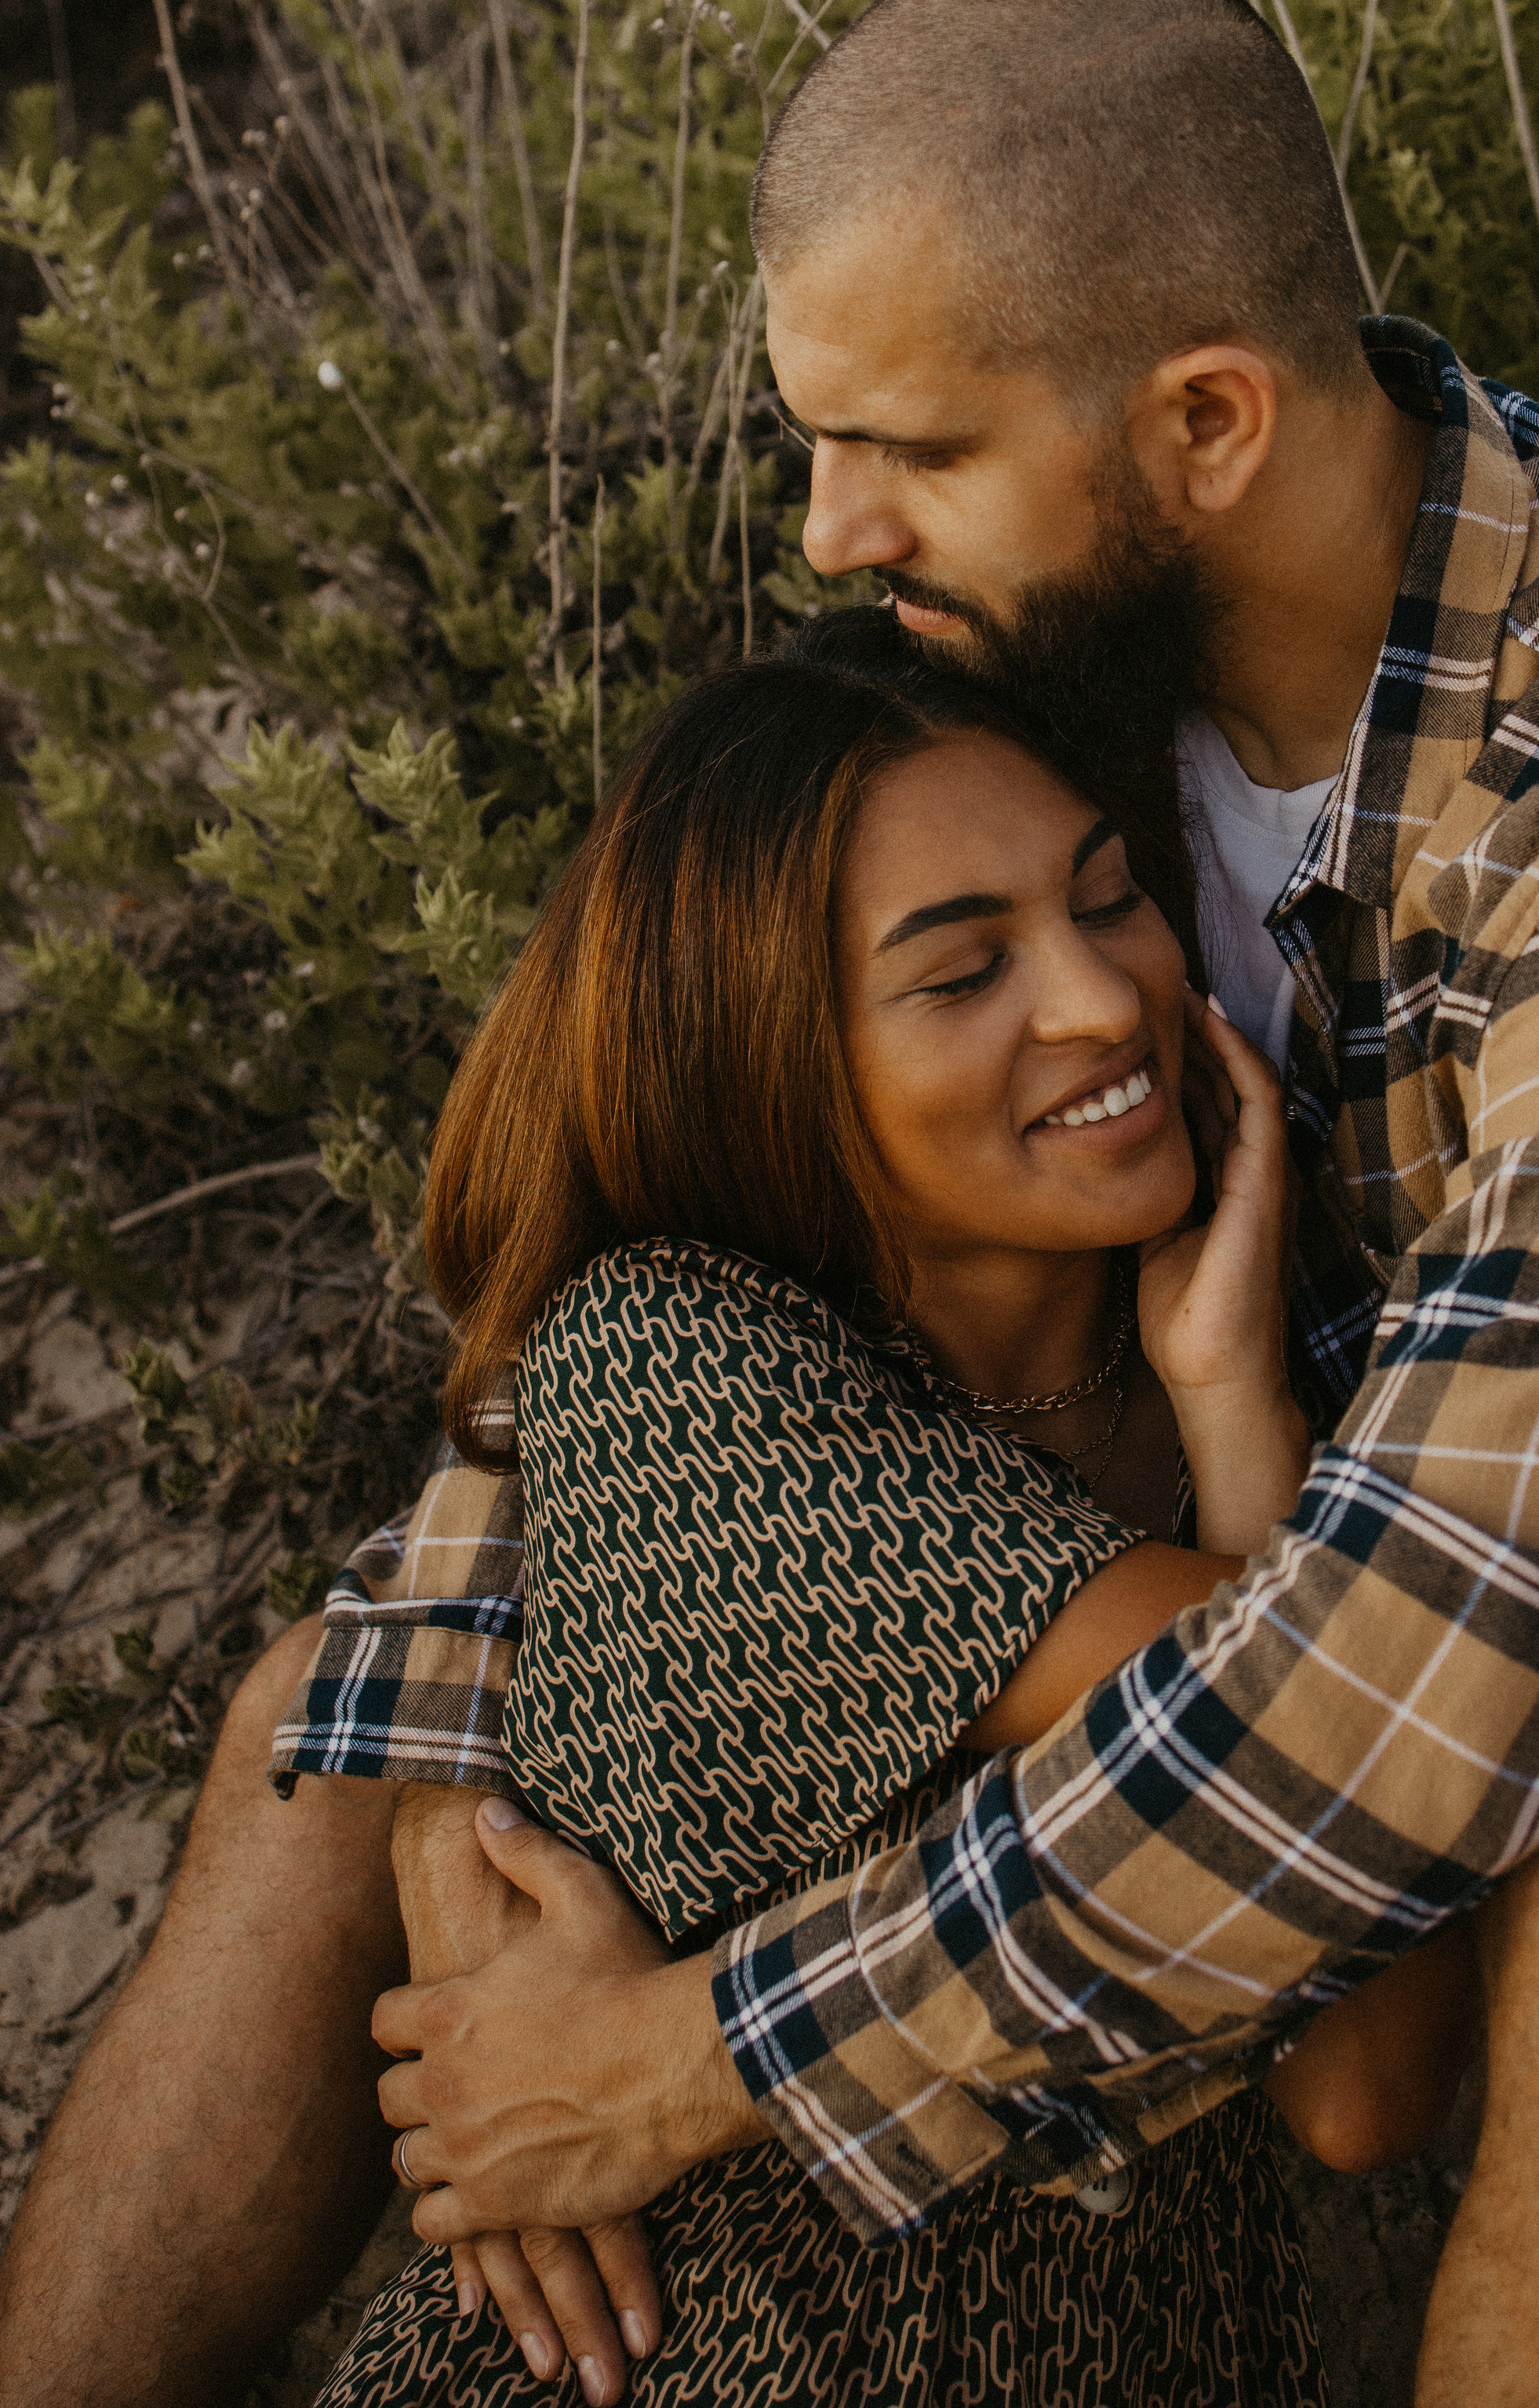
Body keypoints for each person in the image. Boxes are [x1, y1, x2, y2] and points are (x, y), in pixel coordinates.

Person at [0, 0, 1539, 2408]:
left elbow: (1427, 1685)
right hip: (1196, 1455)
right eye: (822, 442)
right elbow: (682, 1162)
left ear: (1204, 427)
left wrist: (677, 2062)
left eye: (911, 451)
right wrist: (440, 1739)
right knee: (316, 1720)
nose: (833, 530)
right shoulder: (1030, 638)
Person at [315, 625, 1399, 2403]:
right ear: (776, 1061)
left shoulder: (1248, 1370)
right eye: (962, 973)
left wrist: (1226, 1395)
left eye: (1109, 895)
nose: (1100, 999)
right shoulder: (680, 1373)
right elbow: (1307, 1757)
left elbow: (1360, 2084)